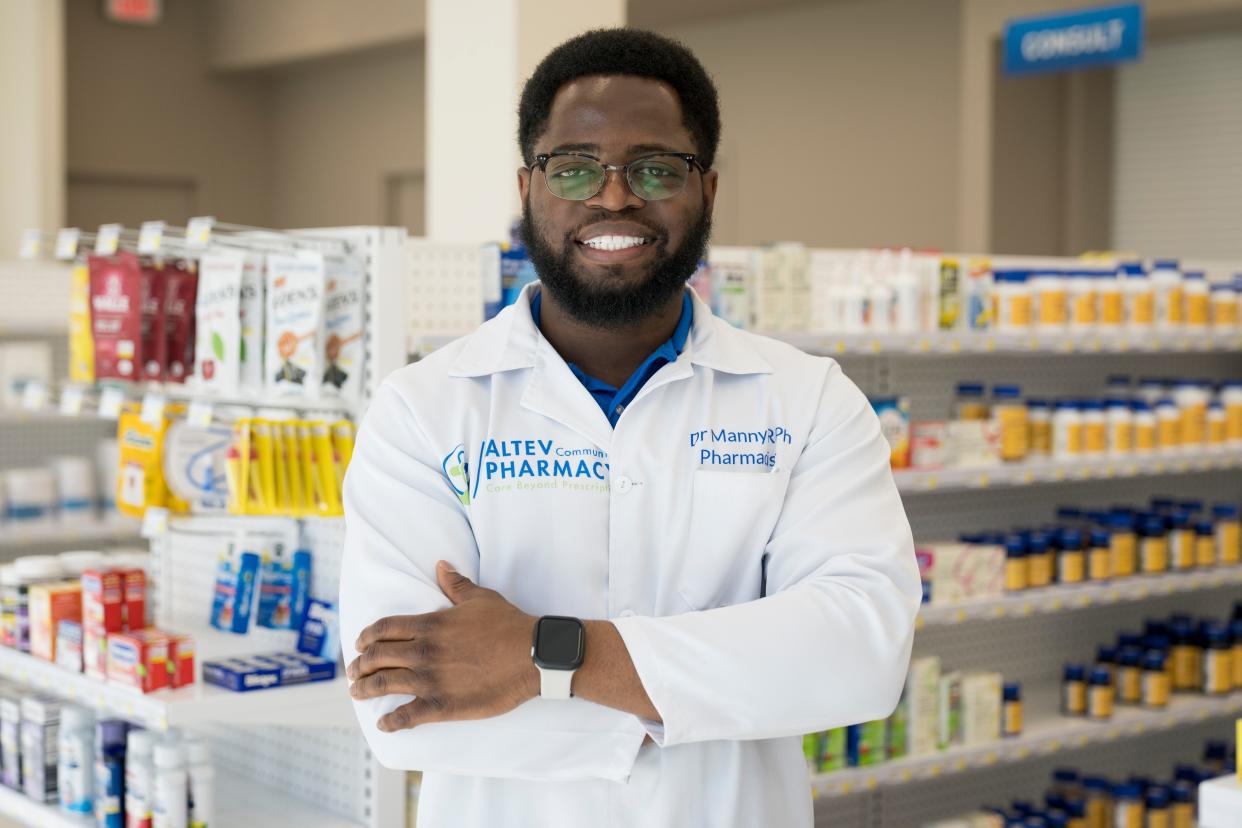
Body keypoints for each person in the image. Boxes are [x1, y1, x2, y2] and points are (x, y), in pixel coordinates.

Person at [340, 28, 920, 828]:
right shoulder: (422, 409)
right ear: (527, 187)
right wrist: (705, 696)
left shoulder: (808, 400)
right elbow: (402, 709)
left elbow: (861, 655)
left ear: (708, 191)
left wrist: (540, 655)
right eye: (575, 166)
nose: (614, 198)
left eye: (655, 169)